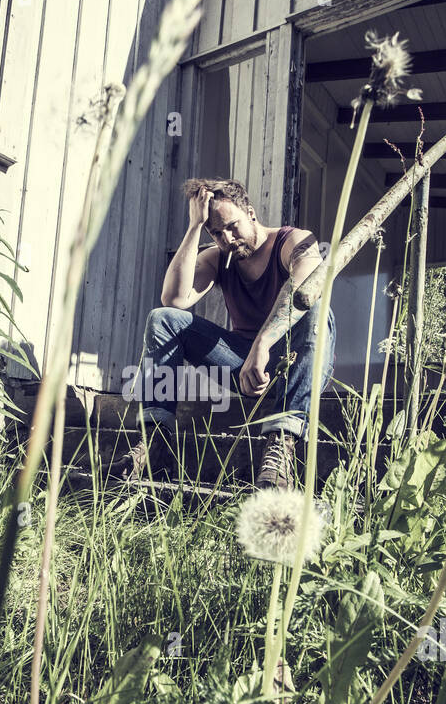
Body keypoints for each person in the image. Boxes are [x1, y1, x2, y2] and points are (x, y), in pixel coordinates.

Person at [113, 177, 335, 491]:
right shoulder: (219, 257)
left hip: (297, 361)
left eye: (232, 226)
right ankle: (155, 444)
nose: (227, 238)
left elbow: (306, 286)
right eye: (216, 232)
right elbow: (174, 299)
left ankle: (279, 446)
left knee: (315, 309)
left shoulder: (292, 240)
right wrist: (194, 228)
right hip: (243, 367)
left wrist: (263, 342)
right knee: (163, 319)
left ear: (252, 214)